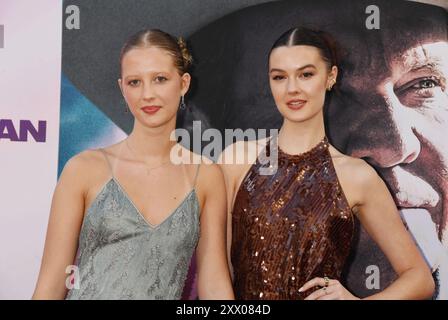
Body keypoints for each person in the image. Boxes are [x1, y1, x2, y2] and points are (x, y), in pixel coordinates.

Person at [219, 27, 434, 300]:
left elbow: (419, 278)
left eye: (306, 74)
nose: (292, 88)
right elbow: (217, 269)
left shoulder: (357, 176)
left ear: (330, 77)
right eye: (279, 77)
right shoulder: (236, 159)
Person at [32, 29, 234, 299]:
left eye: (160, 79)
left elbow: (214, 284)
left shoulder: (206, 176)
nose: (147, 94)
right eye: (135, 82)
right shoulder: (84, 169)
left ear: (184, 83)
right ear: (122, 88)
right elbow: (50, 286)